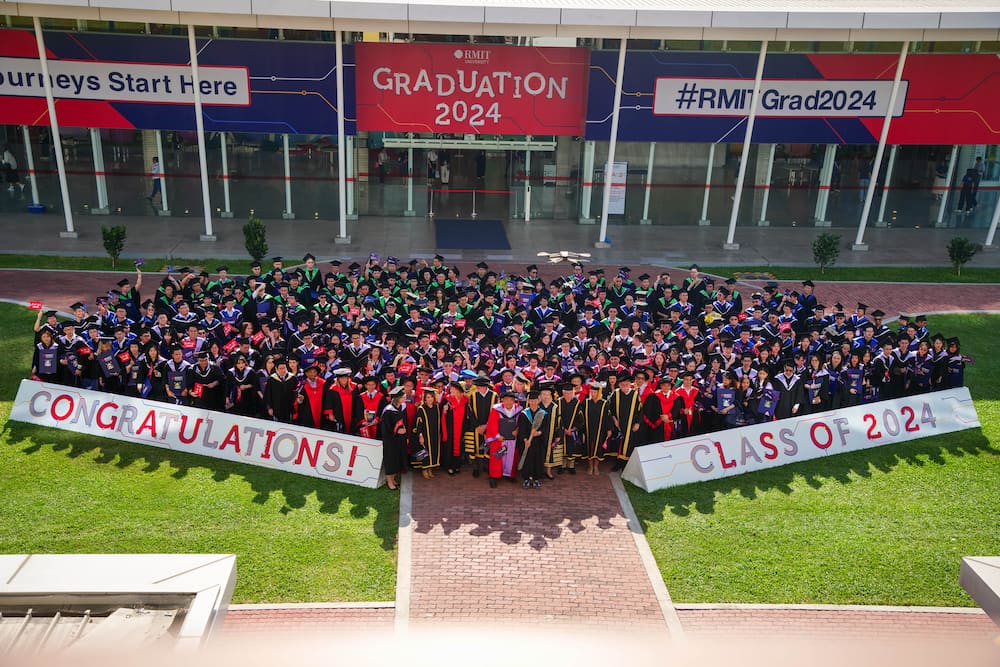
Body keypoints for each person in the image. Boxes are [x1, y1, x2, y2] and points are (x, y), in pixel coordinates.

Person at [484, 391, 522, 487]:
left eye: (511, 400)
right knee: (497, 457)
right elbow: (492, 424)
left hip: (512, 439)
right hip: (499, 439)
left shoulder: (519, 410)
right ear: (502, 400)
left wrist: (518, 430)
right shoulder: (496, 410)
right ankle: (494, 476)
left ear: (514, 401)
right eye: (506, 400)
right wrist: (497, 436)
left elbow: (521, 423)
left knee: (512, 457)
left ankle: (509, 475)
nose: (509, 402)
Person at [379, 386, 409, 490]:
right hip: (390, 440)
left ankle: (393, 479)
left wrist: (405, 434)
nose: (405, 398)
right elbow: (385, 428)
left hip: (400, 439)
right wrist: (396, 431)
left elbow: (405, 421)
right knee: (391, 459)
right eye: (403, 397)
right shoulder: (388, 411)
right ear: (397, 398)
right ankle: (389, 481)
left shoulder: (402, 406)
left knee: (397, 459)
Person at [413, 388, 443, 479]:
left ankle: (430, 468)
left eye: (431, 397)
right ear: (424, 399)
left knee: (433, 451)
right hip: (425, 435)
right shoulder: (421, 409)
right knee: (426, 452)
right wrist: (420, 436)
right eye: (428, 397)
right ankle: (424, 469)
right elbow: (418, 424)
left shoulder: (436, 407)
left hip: (434, 434)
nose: (430, 399)